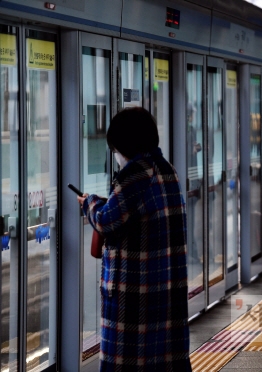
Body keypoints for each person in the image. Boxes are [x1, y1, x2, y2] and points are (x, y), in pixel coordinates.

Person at [77, 108, 190, 371]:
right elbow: (137, 211)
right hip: (166, 287)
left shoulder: (135, 174)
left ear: (124, 144)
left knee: (130, 362)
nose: (115, 154)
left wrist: (89, 203)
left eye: (115, 148)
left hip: (137, 294)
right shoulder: (165, 168)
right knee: (166, 359)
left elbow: (106, 221)